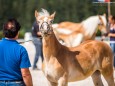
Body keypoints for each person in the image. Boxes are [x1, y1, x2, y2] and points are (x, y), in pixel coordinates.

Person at [0, 18, 33, 86]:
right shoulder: (21, 50)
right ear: (17, 33)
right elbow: (25, 74)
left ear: (4, 32)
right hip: (16, 83)